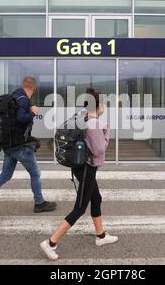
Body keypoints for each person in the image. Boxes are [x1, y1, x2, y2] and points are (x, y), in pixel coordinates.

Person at [40, 88, 118, 260]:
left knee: (96, 198)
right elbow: (98, 150)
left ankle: (101, 236)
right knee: (80, 208)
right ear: (98, 106)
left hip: (80, 166)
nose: (105, 106)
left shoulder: (83, 117)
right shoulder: (95, 123)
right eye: (103, 103)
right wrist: (106, 133)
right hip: (87, 169)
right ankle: (51, 242)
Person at [0, 77, 57, 221]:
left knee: (5, 175)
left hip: (8, 145)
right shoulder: (23, 99)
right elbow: (21, 118)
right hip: (20, 146)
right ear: (34, 88)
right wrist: (33, 112)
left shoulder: (15, 96)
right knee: (35, 173)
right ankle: (39, 203)